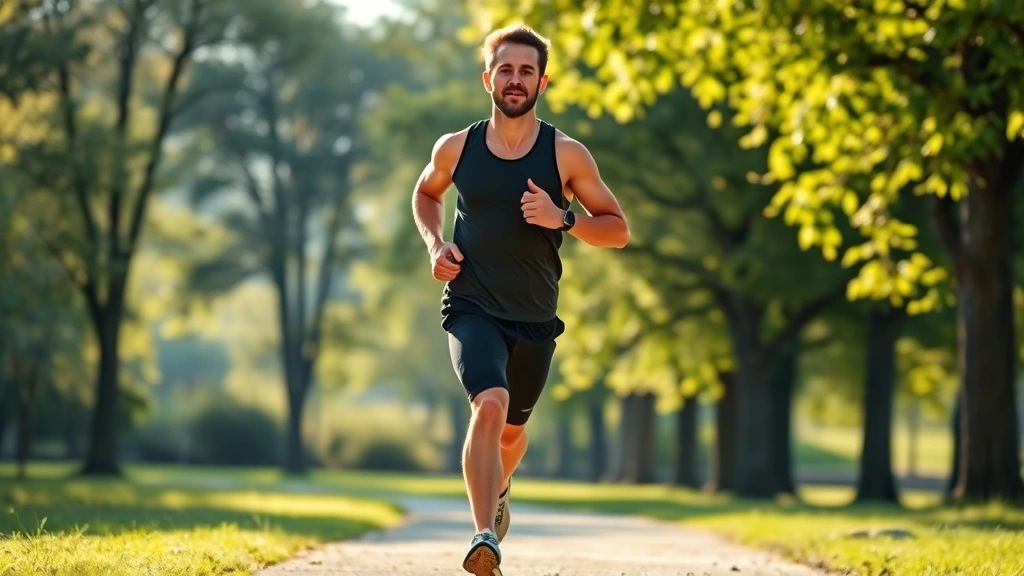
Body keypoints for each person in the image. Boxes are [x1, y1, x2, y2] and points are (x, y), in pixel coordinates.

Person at [410, 22, 630, 576]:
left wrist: (564, 219)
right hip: (471, 305)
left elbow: (618, 229)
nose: (515, 79)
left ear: (543, 82)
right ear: (487, 78)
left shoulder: (567, 155)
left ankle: (499, 485)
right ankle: (484, 536)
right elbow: (426, 193)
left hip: (534, 316)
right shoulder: (457, 147)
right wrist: (436, 244)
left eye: (526, 70)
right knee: (489, 405)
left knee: (512, 433)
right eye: (505, 69)